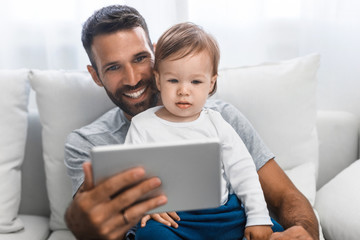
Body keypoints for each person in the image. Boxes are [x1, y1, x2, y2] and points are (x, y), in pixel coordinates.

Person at [64, 4, 319, 240]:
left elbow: (281, 193)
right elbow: (94, 226)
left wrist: (300, 231)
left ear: (154, 56)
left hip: (223, 214)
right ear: (95, 75)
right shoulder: (87, 143)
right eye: (113, 67)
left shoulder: (221, 117)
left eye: (140, 58)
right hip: (171, 224)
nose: (132, 79)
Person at [124, 22, 276, 240]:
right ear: (158, 80)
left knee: (274, 232)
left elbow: (244, 172)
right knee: (149, 233)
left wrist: (258, 217)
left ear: (211, 84)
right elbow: (130, 179)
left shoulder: (217, 123)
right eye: (173, 80)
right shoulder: (142, 125)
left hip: (222, 215)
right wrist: (146, 205)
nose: (183, 90)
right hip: (173, 219)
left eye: (196, 81)